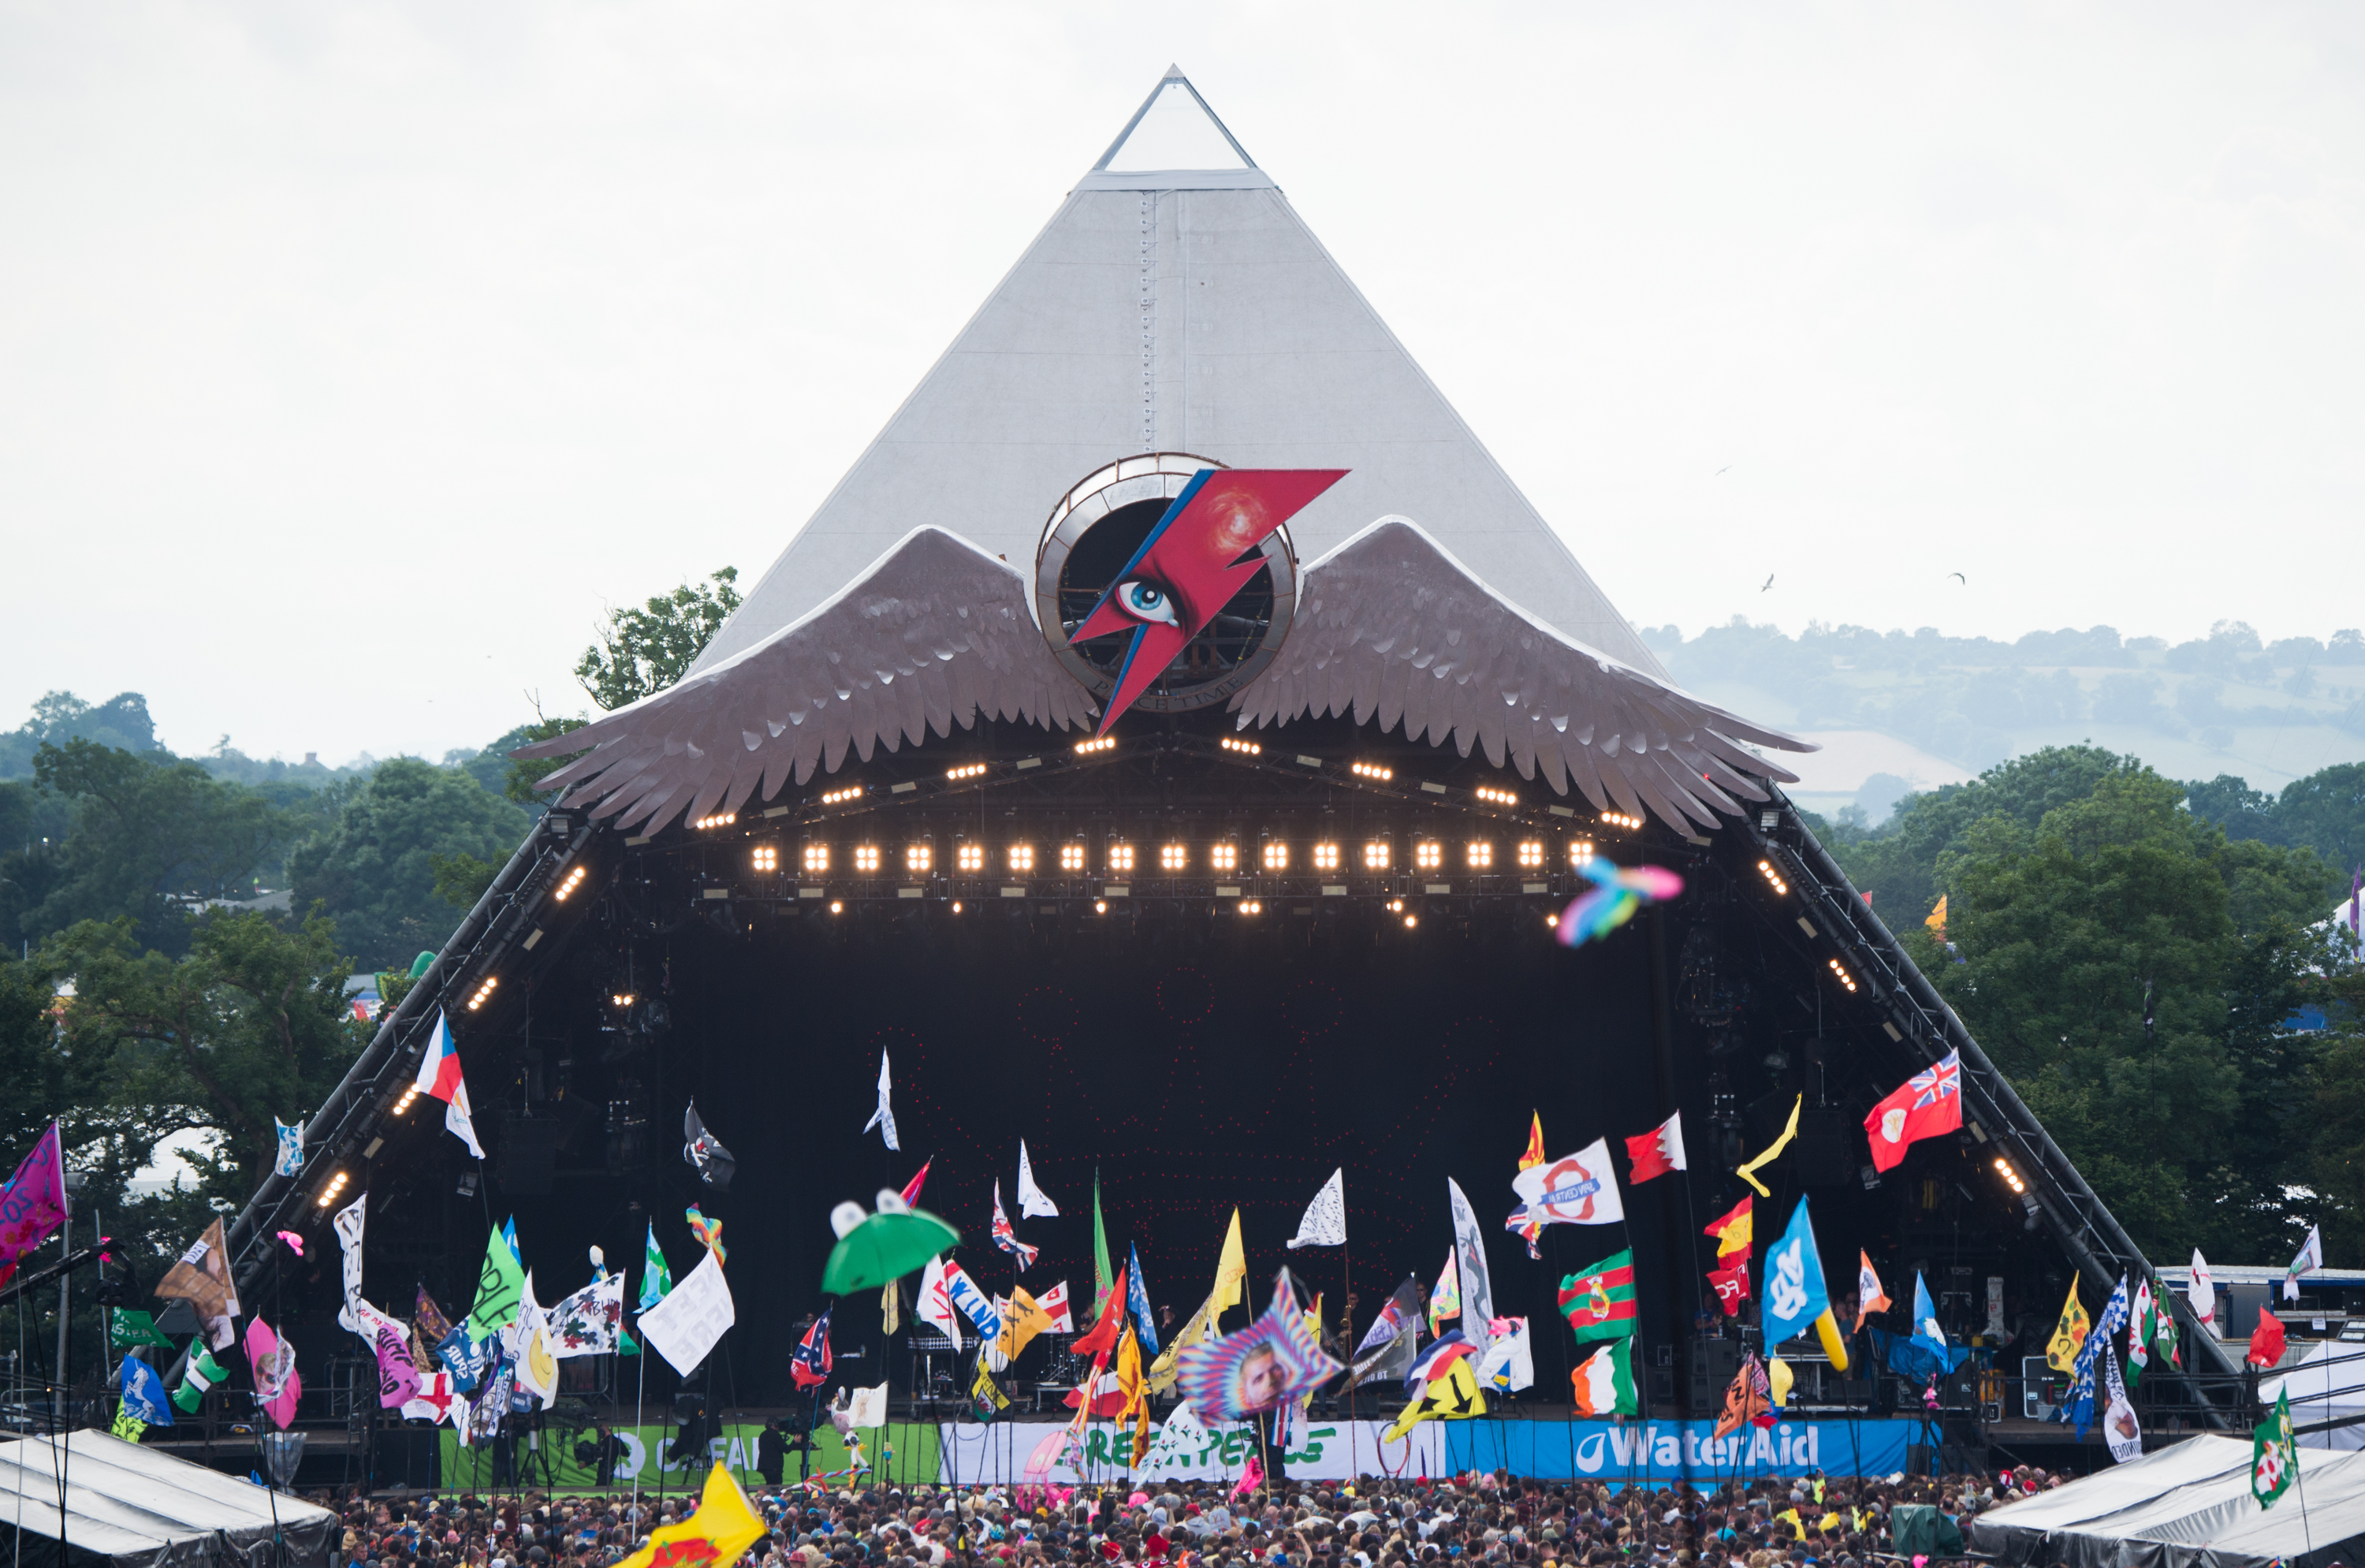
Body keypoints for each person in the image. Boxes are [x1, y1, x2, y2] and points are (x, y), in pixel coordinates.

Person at [759, 1417, 788, 1487]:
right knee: (776, 1487)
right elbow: (786, 1450)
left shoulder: (763, 1435)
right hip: (774, 1468)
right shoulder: (775, 1435)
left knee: (769, 1485)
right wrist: (795, 1441)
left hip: (765, 1467)